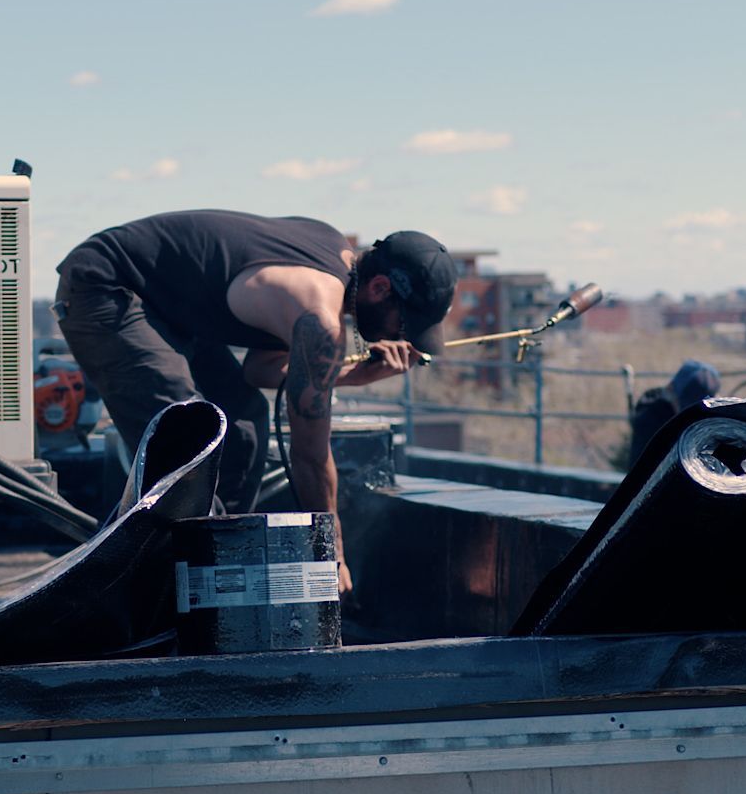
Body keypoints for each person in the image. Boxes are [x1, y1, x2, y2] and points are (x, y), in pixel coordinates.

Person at [53, 210, 457, 592]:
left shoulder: (332, 255)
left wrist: (359, 375)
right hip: (106, 285)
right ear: (380, 288)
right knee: (187, 435)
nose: (402, 338)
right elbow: (310, 457)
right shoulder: (318, 316)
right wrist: (332, 556)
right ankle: (157, 590)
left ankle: (209, 571)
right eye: (404, 325)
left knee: (243, 424)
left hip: (171, 312)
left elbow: (258, 373)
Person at [626, 359, 721, 470]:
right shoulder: (651, 421)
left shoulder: (712, 422)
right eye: (686, 408)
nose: (692, 416)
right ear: (670, 390)